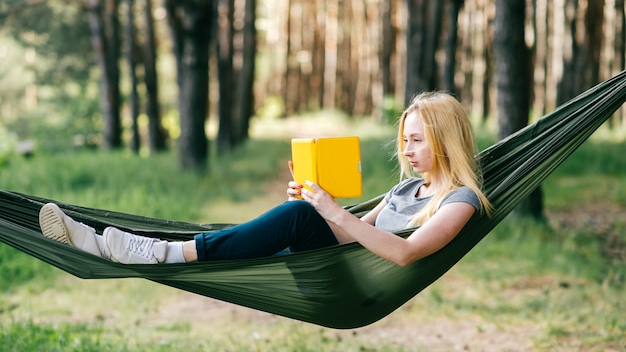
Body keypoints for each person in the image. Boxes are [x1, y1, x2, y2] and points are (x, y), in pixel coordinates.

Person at [39, 91, 492, 266]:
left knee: (294, 214)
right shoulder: (406, 189)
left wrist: (326, 211)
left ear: (445, 138)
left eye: (415, 140)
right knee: (294, 212)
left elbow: (408, 252)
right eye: (404, 140)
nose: (405, 150)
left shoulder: (460, 200)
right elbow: (353, 231)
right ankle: (106, 241)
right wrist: (321, 206)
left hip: (349, 278)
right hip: (336, 258)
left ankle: (156, 252)